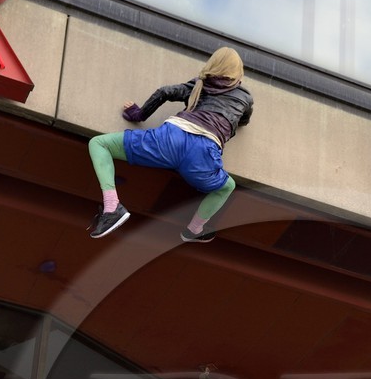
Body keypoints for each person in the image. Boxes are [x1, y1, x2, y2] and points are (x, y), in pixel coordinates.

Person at [87, 47, 253, 244]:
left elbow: (164, 92)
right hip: (203, 154)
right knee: (226, 187)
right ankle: (194, 230)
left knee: (99, 144)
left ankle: (112, 206)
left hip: (170, 138)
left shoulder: (200, 84)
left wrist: (138, 115)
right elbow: (243, 121)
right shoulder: (244, 97)